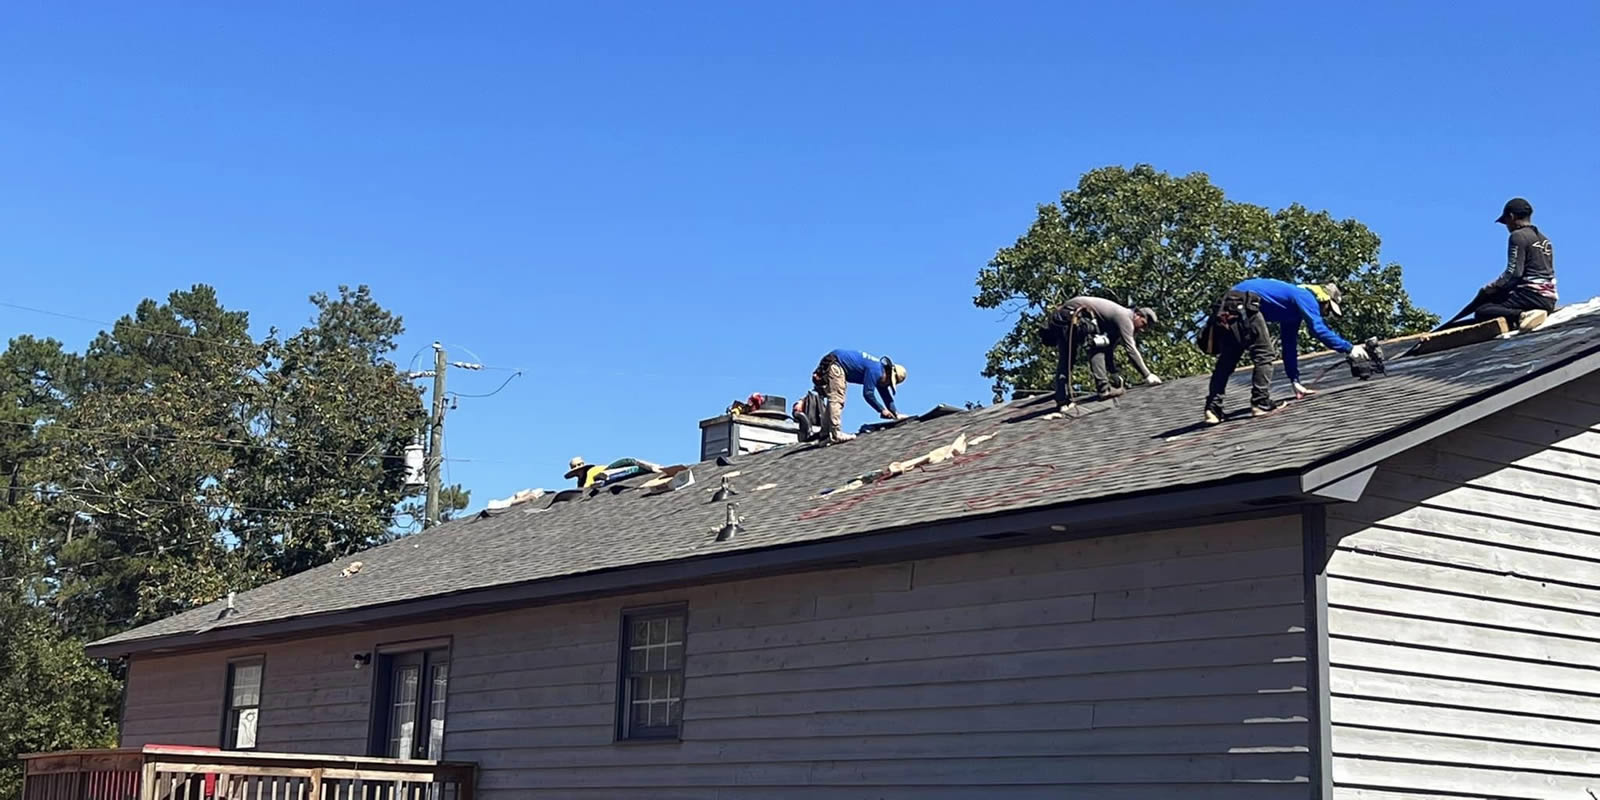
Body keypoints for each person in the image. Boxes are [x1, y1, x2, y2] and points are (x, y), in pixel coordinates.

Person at [1201, 279, 1367, 425]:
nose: (1326, 314)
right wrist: (1350, 348)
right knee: (1264, 354)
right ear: (1323, 299)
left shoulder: (1292, 311)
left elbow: (1289, 346)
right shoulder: (1306, 296)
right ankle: (1260, 403)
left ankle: (1213, 410)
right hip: (1244, 302)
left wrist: (1294, 381)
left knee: (1228, 360)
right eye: (1328, 309)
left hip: (1227, 306)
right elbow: (1318, 330)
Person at [1041, 297, 1161, 410]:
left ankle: (1062, 400)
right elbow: (1130, 349)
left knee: (1067, 359)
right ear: (1137, 315)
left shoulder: (1116, 323)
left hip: (1062, 318)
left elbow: (1109, 350)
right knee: (1096, 345)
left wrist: (1113, 373)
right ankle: (1104, 390)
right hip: (1074, 314)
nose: (1142, 329)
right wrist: (1147, 375)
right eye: (1143, 324)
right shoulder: (1125, 317)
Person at [1472, 197, 1556, 330]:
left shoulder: (1518, 236)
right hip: (1549, 299)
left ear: (1511, 217)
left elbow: (1513, 274)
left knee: (1483, 310)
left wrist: (1492, 287)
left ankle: (1522, 315)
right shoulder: (1545, 239)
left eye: (1506, 222)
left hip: (1530, 296)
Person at [809, 349, 906, 442]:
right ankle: (835, 434)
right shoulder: (875, 371)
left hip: (834, 361)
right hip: (836, 364)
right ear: (888, 373)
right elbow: (868, 394)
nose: (887, 385)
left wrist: (896, 413)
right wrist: (882, 410)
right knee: (837, 398)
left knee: (834, 399)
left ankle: (825, 435)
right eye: (889, 382)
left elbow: (886, 395)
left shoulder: (879, 371)